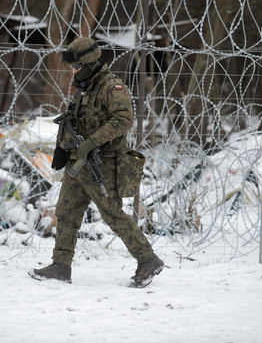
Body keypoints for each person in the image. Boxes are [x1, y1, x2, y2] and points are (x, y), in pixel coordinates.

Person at [28, 37, 163, 288]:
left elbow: (122, 119)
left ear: (89, 62)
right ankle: (60, 266)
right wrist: (61, 148)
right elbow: (73, 120)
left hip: (102, 163)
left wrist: (91, 142)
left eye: (77, 66)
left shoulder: (112, 88)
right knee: (66, 213)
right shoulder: (85, 87)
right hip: (78, 163)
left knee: (113, 215)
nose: (73, 70)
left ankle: (148, 260)